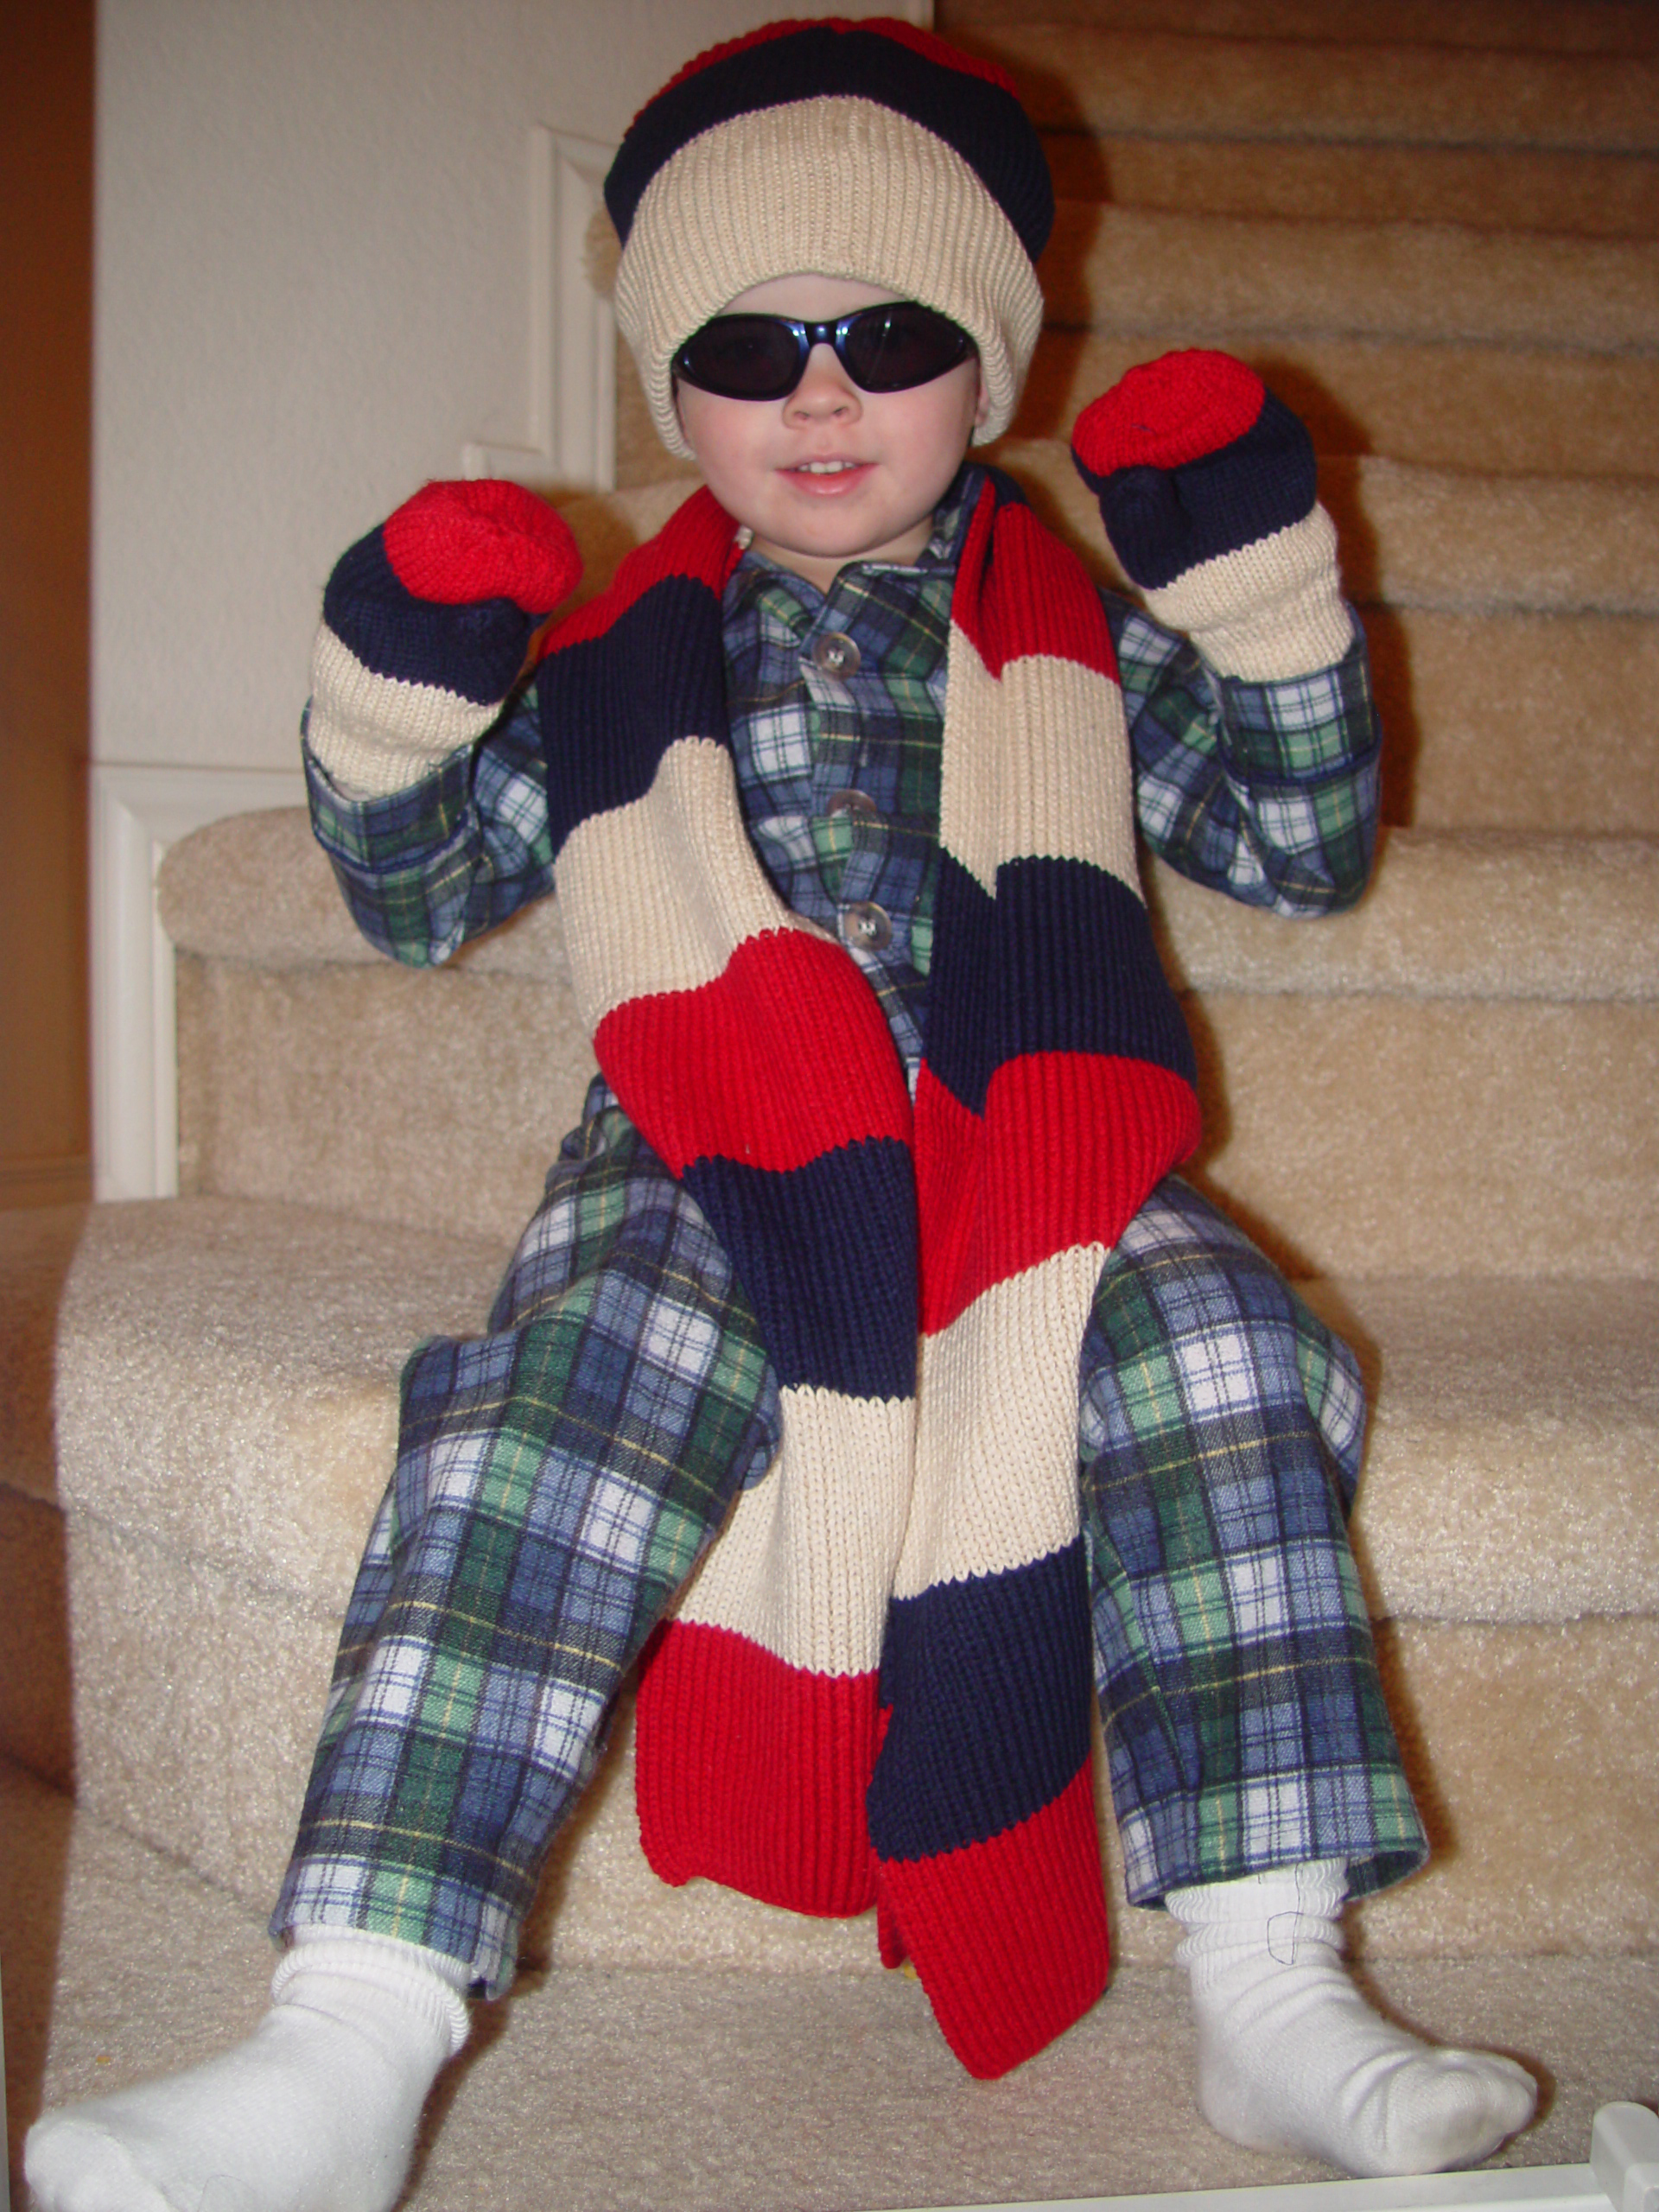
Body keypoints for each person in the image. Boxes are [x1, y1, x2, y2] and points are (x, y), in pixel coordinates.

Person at [27, 20, 1537, 2211]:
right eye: (751, 345)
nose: (820, 392)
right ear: (673, 390)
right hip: (708, 1144)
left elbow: (1299, 848)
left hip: (1037, 1126)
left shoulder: (1078, 638)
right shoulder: (625, 652)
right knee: (543, 1406)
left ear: (992, 372)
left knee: (1218, 1342)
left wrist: (1258, 594)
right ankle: (348, 2026)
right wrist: (396, 699)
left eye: (887, 333)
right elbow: (425, 892)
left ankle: (1274, 1977)